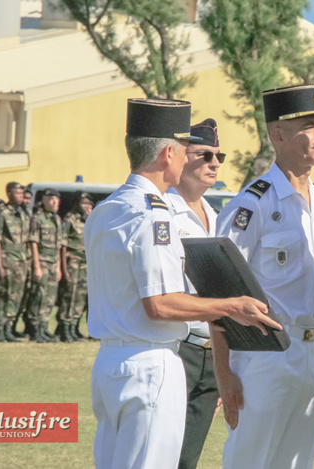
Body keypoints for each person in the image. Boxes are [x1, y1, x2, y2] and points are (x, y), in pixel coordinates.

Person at [86, 98, 279, 469]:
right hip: (150, 361)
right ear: (169, 153)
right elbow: (159, 304)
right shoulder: (152, 214)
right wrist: (230, 306)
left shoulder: (108, 208)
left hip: (111, 359)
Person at [215, 84, 314, 469]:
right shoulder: (252, 204)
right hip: (265, 353)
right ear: (278, 134)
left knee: (297, 462)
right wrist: (225, 373)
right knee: (250, 461)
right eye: (309, 125)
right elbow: (218, 290)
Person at [163, 118, 225, 468]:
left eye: (219, 156)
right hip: (178, 348)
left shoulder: (216, 216)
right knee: (161, 454)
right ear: (180, 157)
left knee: (188, 460)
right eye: (205, 155)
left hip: (211, 351)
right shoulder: (164, 213)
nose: (215, 163)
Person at [0, 181, 30, 342]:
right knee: (3, 295)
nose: (20, 196)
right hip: (7, 260)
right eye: (17, 193)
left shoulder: (23, 214)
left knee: (16, 296)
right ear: (9, 194)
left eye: (21, 193)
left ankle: (8, 328)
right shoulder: (2, 213)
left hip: (21, 262)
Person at [25, 188, 63, 343]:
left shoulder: (57, 220)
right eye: (51, 199)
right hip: (42, 262)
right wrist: (37, 266)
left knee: (50, 297)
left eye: (57, 199)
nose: (54, 202)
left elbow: (58, 246)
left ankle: (44, 327)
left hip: (54, 263)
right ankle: (35, 330)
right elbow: (33, 242)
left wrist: (59, 267)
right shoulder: (38, 218)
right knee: (39, 296)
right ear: (44, 200)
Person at [58, 192, 93, 342]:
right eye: (83, 203)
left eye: (88, 203)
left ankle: (74, 327)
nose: (86, 206)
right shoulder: (70, 219)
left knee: (81, 296)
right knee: (70, 295)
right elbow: (63, 244)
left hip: (85, 263)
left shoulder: (89, 220)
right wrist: (63, 268)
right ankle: (65, 328)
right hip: (72, 262)